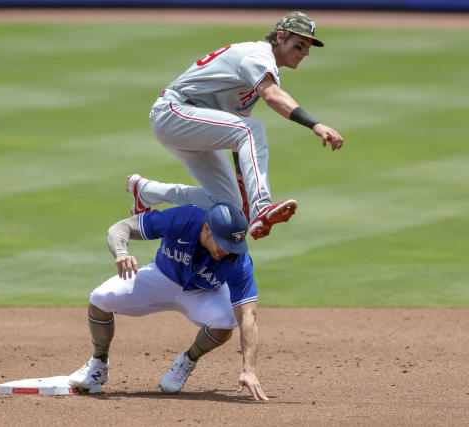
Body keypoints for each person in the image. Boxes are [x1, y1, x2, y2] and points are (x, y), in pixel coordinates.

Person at [130, 10, 343, 240]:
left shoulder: (262, 69)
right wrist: (315, 125)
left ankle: (146, 191)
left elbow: (236, 132)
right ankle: (262, 206)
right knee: (253, 129)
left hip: (191, 122)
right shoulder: (257, 56)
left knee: (229, 202)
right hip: (174, 112)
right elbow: (272, 97)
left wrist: (241, 182)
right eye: (299, 44)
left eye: (308, 46)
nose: (305, 52)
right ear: (280, 37)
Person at [68, 201, 269, 401]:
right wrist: (121, 253)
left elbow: (248, 317)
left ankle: (188, 360)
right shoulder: (185, 218)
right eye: (224, 243)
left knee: (227, 321)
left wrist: (249, 370)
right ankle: (99, 364)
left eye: (234, 245)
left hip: (204, 293)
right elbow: (121, 227)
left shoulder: (240, 262)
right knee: (100, 298)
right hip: (161, 276)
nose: (229, 251)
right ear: (207, 229)